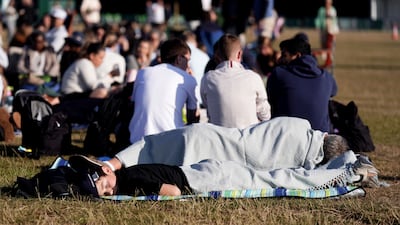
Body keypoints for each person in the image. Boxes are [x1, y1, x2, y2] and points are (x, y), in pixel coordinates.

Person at [68, 137, 380, 197]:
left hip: (204, 178)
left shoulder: (131, 178)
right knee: (271, 176)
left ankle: (348, 172)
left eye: (105, 187)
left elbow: (173, 192)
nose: (109, 193)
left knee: (274, 180)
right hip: (204, 169)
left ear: (109, 172)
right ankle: (347, 165)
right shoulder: (129, 173)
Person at [105, 117, 347, 174]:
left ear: (325, 135)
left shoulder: (300, 124)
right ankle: (115, 168)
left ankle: (111, 165)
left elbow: (265, 127)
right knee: (156, 162)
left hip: (212, 137)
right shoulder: (302, 168)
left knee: (152, 147)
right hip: (218, 153)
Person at [128, 38, 198, 144]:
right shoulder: (187, 79)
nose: (188, 66)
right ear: (179, 59)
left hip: (136, 140)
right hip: (170, 142)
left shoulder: (142, 73)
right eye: (187, 60)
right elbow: (192, 118)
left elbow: (133, 104)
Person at [266, 36, 337, 133]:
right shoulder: (327, 77)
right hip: (320, 137)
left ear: (297, 56)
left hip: (286, 136)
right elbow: (333, 92)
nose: (279, 60)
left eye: (284, 55)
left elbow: (270, 100)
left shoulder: (279, 74)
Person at [200, 33, 271, 129]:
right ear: (239, 54)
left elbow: (207, 105)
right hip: (248, 137)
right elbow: (265, 114)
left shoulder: (208, 78)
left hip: (218, 137)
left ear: (217, 55)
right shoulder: (253, 77)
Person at [314, 0, 339, 69]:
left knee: (330, 46)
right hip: (324, 30)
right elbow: (318, 19)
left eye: (328, 2)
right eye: (326, 2)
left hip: (331, 31)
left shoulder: (333, 10)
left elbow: (334, 19)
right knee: (323, 45)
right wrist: (317, 26)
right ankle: (326, 61)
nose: (327, 4)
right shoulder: (321, 10)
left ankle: (330, 61)